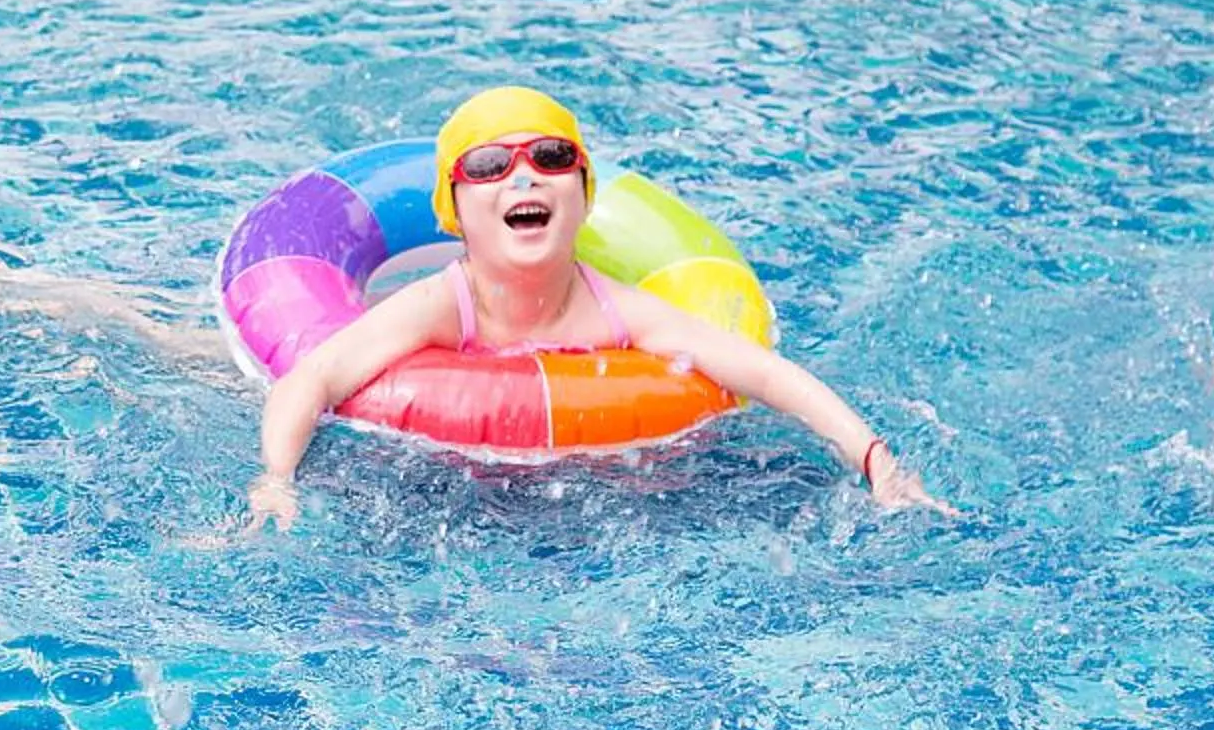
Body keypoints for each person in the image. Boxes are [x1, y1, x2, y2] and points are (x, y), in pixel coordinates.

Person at [242, 86, 943, 532]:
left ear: (582, 195)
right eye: (489, 165)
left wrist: (876, 458)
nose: (524, 174)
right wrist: (276, 481)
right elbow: (315, 375)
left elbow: (768, 375)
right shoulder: (439, 304)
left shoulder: (621, 312)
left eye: (551, 156)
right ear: (451, 214)